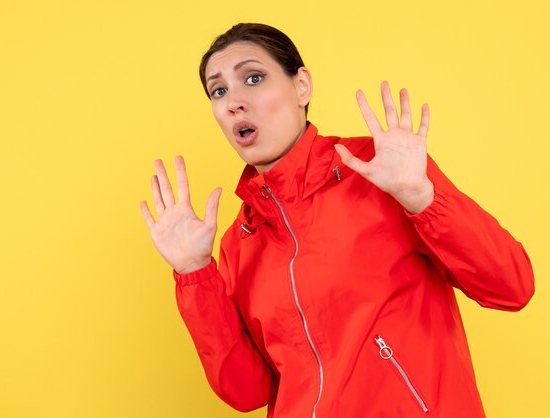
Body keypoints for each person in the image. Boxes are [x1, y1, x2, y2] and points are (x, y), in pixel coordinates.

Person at [140, 23, 534, 418]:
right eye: (218, 91)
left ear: (302, 87)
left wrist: (422, 198)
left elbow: (512, 286)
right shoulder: (238, 243)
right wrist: (194, 272)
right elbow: (248, 391)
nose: (233, 102)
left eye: (253, 78)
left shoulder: (381, 172)